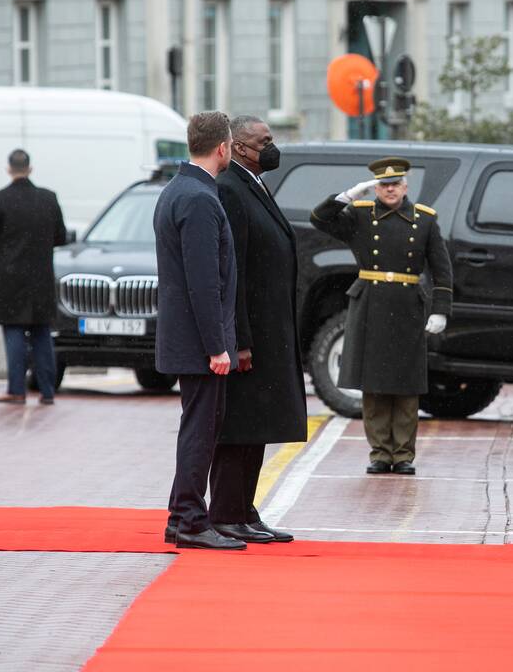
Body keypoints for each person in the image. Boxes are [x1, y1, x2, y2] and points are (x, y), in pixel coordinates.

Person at [310, 158, 453, 475]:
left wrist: (440, 310)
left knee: (405, 383)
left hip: (407, 306)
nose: (389, 190)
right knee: (373, 383)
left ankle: (402, 455)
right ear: (375, 187)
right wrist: (347, 196)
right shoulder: (360, 215)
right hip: (371, 303)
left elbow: (442, 270)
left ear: (406, 186)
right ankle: (379, 453)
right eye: (383, 185)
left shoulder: (424, 220)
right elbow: (319, 219)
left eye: (395, 184)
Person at [208, 115, 306, 544]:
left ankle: (245, 510)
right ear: (241, 148)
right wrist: (241, 339)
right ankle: (226, 512)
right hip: (251, 336)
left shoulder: (255, 184)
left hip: (271, 330)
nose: (272, 146)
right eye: (264, 140)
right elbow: (236, 272)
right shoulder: (231, 189)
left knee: (260, 422)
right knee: (241, 423)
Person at [154, 111, 244, 551]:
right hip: (198, 342)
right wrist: (217, 346)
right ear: (223, 147)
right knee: (201, 429)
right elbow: (204, 280)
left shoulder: (179, 189)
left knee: (198, 425)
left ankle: (180, 515)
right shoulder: (200, 199)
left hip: (187, 337)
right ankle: (189, 519)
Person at [0, 149, 67, 405]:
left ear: (9, 169)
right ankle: (48, 391)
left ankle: (17, 389)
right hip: (40, 278)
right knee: (41, 333)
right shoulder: (48, 199)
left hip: (9, 280)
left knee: (14, 331)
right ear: (30, 169)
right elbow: (60, 236)